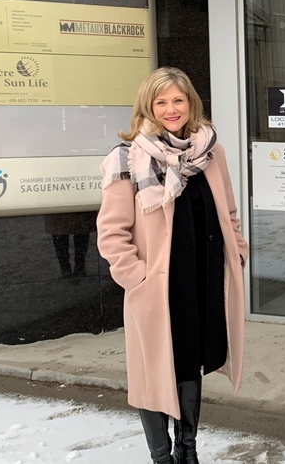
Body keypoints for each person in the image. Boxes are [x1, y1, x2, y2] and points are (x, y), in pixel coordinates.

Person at [97, 67, 249, 464]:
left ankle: (188, 448)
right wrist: (137, 279)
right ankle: (162, 457)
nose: (171, 109)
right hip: (157, 287)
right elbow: (112, 234)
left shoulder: (210, 151)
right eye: (161, 101)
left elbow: (227, 211)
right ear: (148, 106)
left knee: (191, 362)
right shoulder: (126, 157)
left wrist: (239, 251)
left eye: (178, 100)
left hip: (202, 278)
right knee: (152, 372)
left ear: (191, 103)